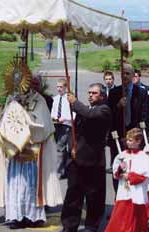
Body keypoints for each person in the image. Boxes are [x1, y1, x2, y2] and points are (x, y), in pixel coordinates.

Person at [0, 87, 63, 229]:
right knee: (15, 183)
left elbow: (43, 125)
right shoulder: (11, 100)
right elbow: (5, 121)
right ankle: (16, 217)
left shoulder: (39, 100)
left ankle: (33, 217)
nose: (21, 90)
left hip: (32, 151)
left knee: (31, 185)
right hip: (15, 151)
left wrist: (25, 119)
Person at [61, 83, 111, 232]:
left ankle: (91, 225)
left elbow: (90, 116)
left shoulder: (104, 110)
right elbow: (74, 130)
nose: (90, 95)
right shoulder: (85, 109)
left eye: (94, 93)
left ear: (102, 95)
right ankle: (69, 225)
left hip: (94, 159)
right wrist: (72, 147)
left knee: (94, 195)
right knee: (73, 194)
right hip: (77, 159)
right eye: (89, 92)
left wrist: (75, 102)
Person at [108, 63, 149, 191]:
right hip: (119, 137)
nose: (124, 76)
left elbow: (144, 115)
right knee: (119, 167)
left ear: (133, 75)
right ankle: (118, 195)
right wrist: (118, 106)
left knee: (135, 167)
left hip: (135, 135)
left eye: (127, 73)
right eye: (122, 73)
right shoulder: (114, 93)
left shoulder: (141, 92)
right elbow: (109, 115)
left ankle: (134, 195)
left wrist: (135, 136)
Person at [105, 128, 149, 232]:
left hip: (137, 191)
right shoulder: (122, 155)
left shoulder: (143, 157)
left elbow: (145, 175)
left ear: (138, 141)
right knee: (121, 214)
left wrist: (130, 176)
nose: (128, 142)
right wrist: (120, 170)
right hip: (124, 190)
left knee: (137, 216)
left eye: (131, 140)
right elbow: (115, 173)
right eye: (127, 140)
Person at [51, 79, 73, 179]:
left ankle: (59, 171)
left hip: (66, 125)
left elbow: (73, 114)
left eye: (61, 87)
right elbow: (54, 111)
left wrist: (64, 118)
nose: (59, 89)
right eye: (57, 87)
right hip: (56, 125)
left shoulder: (69, 99)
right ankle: (64, 169)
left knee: (60, 147)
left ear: (65, 87)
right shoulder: (55, 99)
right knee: (60, 148)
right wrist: (54, 117)